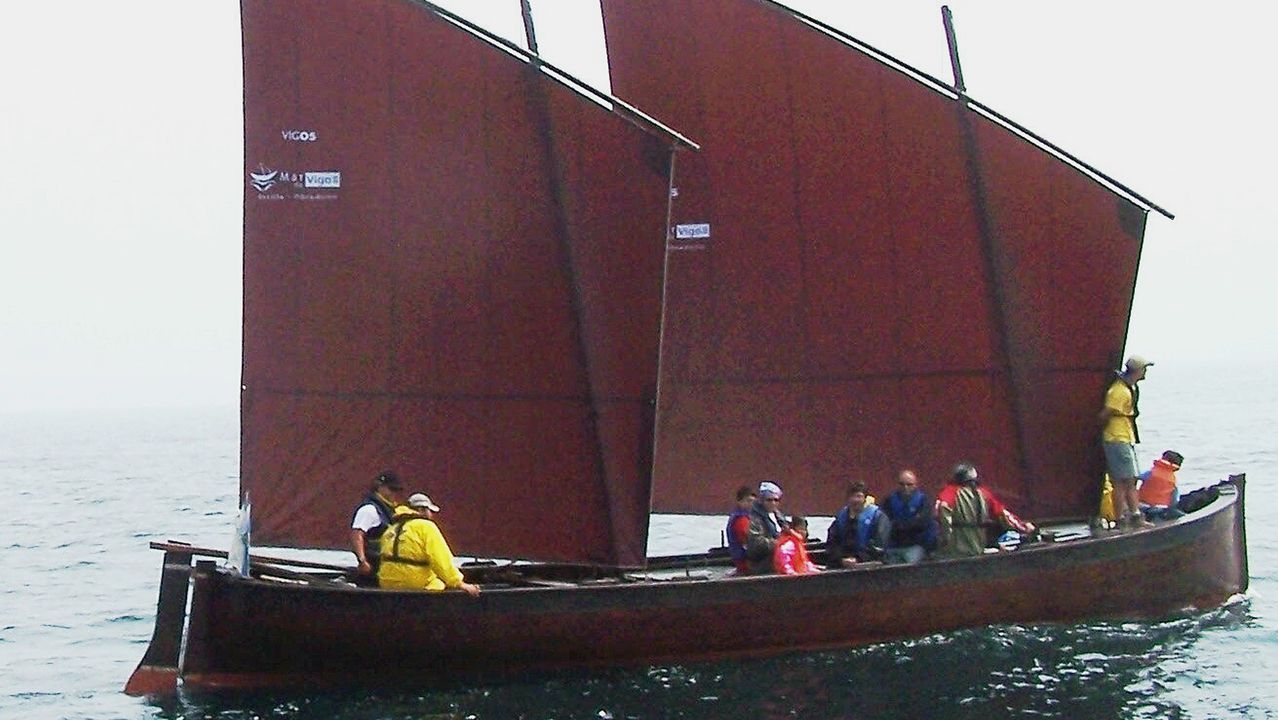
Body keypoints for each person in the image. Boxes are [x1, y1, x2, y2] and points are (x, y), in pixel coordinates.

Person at [378, 492, 481, 596]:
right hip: (413, 584)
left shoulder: (391, 529)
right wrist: (460, 583)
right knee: (440, 583)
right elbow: (441, 560)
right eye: (429, 510)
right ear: (421, 510)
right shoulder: (426, 527)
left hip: (387, 584)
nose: (431, 515)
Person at [1099, 355, 1156, 529]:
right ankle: (1129, 517)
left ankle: (1126, 516)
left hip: (1122, 436)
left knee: (1124, 481)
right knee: (1126, 480)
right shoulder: (1119, 391)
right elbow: (1105, 414)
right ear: (1137, 371)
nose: (1145, 372)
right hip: (1117, 438)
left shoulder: (1128, 388)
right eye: (1143, 369)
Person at [936, 463, 1035, 557]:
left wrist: (946, 540)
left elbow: (941, 517)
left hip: (955, 551)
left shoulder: (947, 494)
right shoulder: (984, 493)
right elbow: (1004, 515)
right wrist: (1025, 527)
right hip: (979, 547)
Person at [349, 471, 404, 586]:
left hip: (386, 566)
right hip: (372, 566)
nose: (394, 493)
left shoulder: (392, 509)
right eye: (391, 489)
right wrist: (362, 561)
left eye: (397, 490)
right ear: (380, 487)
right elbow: (357, 535)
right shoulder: (369, 509)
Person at [825, 482, 890, 567]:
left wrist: (859, 559)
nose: (855, 500)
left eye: (859, 496)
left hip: (869, 564)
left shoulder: (877, 517)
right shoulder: (841, 517)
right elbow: (832, 542)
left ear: (865, 498)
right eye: (852, 496)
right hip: (843, 562)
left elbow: (879, 545)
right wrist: (840, 559)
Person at [881, 469, 938, 564]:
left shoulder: (923, 501)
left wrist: (901, 525)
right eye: (902, 484)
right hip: (894, 546)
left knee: (910, 567)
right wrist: (909, 524)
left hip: (915, 546)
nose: (905, 487)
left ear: (915, 485)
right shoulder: (889, 500)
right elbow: (885, 522)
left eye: (909, 484)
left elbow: (922, 523)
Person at [744, 480, 787, 574]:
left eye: (776, 500)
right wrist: (779, 543)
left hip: (781, 557)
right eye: (769, 500)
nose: (773, 503)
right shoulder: (754, 518)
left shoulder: (779, 516)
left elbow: (788, 531)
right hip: (763, 562)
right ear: (762, 500)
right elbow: (756, 544)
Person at [1139, 450, 1186, 521]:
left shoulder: (1151, 472)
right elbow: (1174, 500)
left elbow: (1135, 479)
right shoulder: (1172, 479)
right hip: (1162, 508)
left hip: (1143, 506)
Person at [725, 485, 756, 574]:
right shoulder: (741, 519)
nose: (751, 504)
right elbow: (747, 540)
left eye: (753, 502)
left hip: (742, 558)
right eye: (748, 501)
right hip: (745, 561)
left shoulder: (743, 517)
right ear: (739, 501)